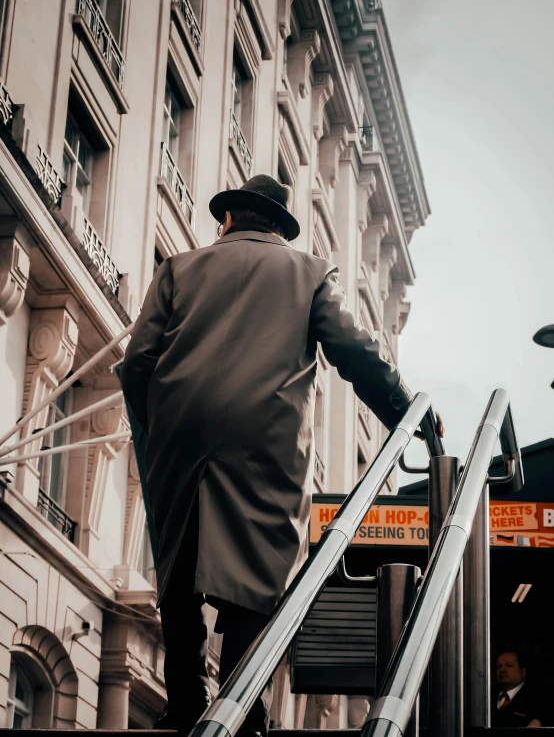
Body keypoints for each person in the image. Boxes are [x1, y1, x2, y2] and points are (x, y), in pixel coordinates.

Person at [120, 174, 439, 736]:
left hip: (180, 432)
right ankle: (242, 706)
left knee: (178, 564)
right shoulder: (308, 272)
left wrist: (157, 430)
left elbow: (138, 361)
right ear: (279, 228)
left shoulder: (178, 268)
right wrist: (404, 409)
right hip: (264, 438)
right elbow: (351, 350)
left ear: (229, 220)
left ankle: (186, 702)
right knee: (259, 566)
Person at [492, 650, 544, 727]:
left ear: (522, 672)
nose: (502, 670)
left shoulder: (538, 697)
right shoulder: (488, 697)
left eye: (509, 665)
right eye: (499, 666)